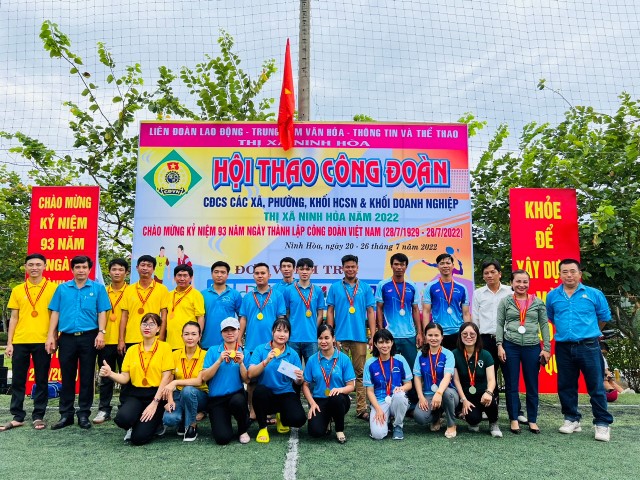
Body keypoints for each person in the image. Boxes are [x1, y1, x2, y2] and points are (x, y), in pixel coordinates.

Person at [546, 258, 614, 442]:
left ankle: (602, 423)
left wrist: (590, 331)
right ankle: (571, 419)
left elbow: (604, 317)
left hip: (588, 346)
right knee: (566, 385)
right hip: (563, 347)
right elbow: (552, 317)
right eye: (565, 272)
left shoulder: (594, 294)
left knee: (596, 386)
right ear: (559, 274)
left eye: (572, 271)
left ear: (579, 274)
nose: (569, 275)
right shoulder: (552, 296)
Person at [46, 255, 111, 430]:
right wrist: (51, 336)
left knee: (87, 376)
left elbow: (102, 312)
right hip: (66, 338)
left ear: (89, 269)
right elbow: (55, 313)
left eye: (84, 267)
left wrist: (101, 332)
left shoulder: (98, 288)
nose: (81, 270)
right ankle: (65, 414)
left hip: (89, 337)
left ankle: (83, 414)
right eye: (77, 267)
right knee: (67, 376)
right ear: (72, 269)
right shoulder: (62, 289)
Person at [1, 253, 57, 432]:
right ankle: (17, 415)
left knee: (41, 379)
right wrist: (10, 342)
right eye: (31, 265)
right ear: (25, 267)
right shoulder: (18, 290)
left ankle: (38, 415)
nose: (34, 268)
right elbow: (14, 318)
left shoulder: (53, 288)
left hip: (43, 341)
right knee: (18, 379)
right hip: (20, 341)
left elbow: (55, 315)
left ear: (45, 266)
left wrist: (53, 337)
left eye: (38, 264)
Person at [99, 313, 173, 445]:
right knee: (122, 419)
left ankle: (157, 425)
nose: (147, 327)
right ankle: (137, 422)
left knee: (138, 439)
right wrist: (110, 373)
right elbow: (124, 378)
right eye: (144, 324)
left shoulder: (165, 347)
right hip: (136, 394)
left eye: (152, 324)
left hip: (156, 395)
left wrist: (155, 403)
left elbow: (166, 377)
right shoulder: (132, 350)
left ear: (158, 328)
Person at [496, 269, 551, 434]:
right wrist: (499, 345)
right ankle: (513, 419)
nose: (521, 285)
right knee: (512, 384)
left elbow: (544, 325)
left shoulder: (538, 302)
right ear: (511, 283)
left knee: (532, 385)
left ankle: (532, 419)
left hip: (532, 346)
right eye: (518, 281)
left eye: (525, 282)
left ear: (529, 283)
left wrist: (546, 348)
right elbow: (499, 324)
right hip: (510, 346)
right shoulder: (505, 301)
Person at [472, 259, 526, 423]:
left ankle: (516, 411)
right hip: (485, 340)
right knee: (487, 377)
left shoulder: (510, 292)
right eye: (486, 273)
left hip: (508, 340)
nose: (489, 275)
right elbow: (475, 318)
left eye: (493, 272)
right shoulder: (478, 293)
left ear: (500, 274)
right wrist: (476, 341)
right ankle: (488, 409)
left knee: (510, 376)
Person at [326, 254, 376, 420]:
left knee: (360, 374)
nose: (350, 269)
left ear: (357, 268)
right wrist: (331, 334)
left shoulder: (365, 288)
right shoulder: (335, 287)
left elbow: (370, 312)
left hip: (359, 337)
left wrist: (373, 335)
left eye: (353, 266)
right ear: (342, 268)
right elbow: (330, 311)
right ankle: (335, 408)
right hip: (339, 337)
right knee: (336, 373)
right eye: (347, 267)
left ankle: (361, 409)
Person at [239, 263, 286, 420]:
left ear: (269, 276)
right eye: (257, 273)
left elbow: (281, 319)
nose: (260, 276)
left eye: (263, 273)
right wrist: (239, 338)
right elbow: (243, 318)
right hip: (252, 345)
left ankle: (270, 411)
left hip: (272, 345)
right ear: (253, 276)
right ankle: (253, 410)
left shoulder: (277, 295)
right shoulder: (247, 297)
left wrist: (280, 340)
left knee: (271, 378)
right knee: (252, 381)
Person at [375, 253, 422, 409]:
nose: (399, 267)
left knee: (412, 371)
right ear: (391, 266)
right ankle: (386, 403)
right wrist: (381, 331)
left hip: (409, 335)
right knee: (389, 370)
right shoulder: (383, 285)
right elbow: (379, 309)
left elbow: (415, 310)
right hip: (390, 336)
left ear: (406, 266)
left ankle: (413, 405)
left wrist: (419, 333)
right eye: (396, 264)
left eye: (402, 264)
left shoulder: (412, 286)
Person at [248, 318, 306, 443]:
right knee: (259, 391)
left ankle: (282, 417)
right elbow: (250, 374)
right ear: (272, 332)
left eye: (285, 331)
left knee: (299, 419)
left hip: (285, 393)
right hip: (266, 395)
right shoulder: (260, 349)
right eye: (278, 330)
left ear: (289, 335)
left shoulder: (292, 354)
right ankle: (263, 427)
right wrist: (266, 361)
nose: (282, 334)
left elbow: (298, 383)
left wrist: (299, 378)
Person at [302, 324, 356, 443]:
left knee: (336, 398)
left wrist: (340, 390)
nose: (323, 341)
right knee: (315, 432)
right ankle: (327, 420)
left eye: (327, 338)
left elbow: (351, 386)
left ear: (333, 338)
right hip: (320, 399)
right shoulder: (312, 360)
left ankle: (339, 430)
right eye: (320, 338)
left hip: (339, 399)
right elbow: (305, 385)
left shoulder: (344, 359)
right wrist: (312, 403)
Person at [201, 317, 250, 445]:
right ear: (221, 333)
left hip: (235, 395)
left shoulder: (244, 352)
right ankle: (224, 420)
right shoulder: (213, 351)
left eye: (233, 330)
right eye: (226, 330)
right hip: (217, 399)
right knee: (222, 438)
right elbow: (204, 377)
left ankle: (242, 430)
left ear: (238, 331)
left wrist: (241, 364)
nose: (229, 333)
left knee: (238, 401)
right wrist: (219, 361)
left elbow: (247, 380)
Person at [93, 258, 129, 425]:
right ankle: (104, 409)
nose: (117, 272)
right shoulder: (102, 291)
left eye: (120, 270)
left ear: (126, 273)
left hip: (126, 341)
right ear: (109, 272)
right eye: (114, 269)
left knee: (126, 376)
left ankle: (125, 407)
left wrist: (123, 340)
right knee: (106, 376)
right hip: (105, 341)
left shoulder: (131, 291)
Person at [453, 322, 503, 437]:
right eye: (465, 334)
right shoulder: (454, 354)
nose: (468, 337)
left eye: (472, 334)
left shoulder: (486, 354)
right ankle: (472, 418)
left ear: (477, 336)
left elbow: (491, 379)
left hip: (483, 395)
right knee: (473, 419)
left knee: (491, 401)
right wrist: (464, 400)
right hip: (467, 397)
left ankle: (493, 423)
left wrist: (488, 392)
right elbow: (456, 380)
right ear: (460, 336)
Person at [161, 321, 209, 441]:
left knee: (188, 391)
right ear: (181, 336)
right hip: (178, 395)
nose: (190, 337)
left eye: (194, 334)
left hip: (199, 395)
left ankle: (191, 426)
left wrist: (176, 382)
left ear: (199, 336)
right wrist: (170, 400)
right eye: (186, 334)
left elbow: (199, 381)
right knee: (169, 419)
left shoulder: (205, 355)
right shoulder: (175, 354)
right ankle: (183, 419)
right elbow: (169, 380)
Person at [364, 329, 413, 440]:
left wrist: (401, 388)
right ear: (375, 344)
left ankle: (398, 426)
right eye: (381, 342)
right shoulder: (370, 363)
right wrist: (378, 409)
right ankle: (385, 421)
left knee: (400, 395)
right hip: (380, 402)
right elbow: (370, 391)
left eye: (387, 342)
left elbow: (409, 384)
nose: (384, 345)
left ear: (392, 342)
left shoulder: (400, 359)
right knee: (378, 435)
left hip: (397, 399)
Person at [413, 322, 459, 438]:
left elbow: (447, 376)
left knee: (447, 393)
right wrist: (421, 397)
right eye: (430, 335)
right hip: (428, 394)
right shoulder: (420, 354)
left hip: (447, 393)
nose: (433, 338)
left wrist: (439, 393)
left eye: (436, 335)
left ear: (442, 337)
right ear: (425, 337)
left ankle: (451, 424)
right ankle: (436, 417)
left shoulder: (448, 354)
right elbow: (417, 377)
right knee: (420, 417)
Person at [119, 255, 169, 354]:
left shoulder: (162, 289)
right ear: (137, 268)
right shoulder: (128, 290)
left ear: (154, 269)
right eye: (142, 265)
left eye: (149, 266)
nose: (145, 268)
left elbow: (164, 316)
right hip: (132, 337)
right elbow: (124, 316)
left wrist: (161, 337)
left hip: (153, 338)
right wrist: (121, 340)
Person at [423, 252, 471, 351]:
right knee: (438, 360)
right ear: (437, 266)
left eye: (448, 263)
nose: (445, 266)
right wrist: (426, 333)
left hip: (458, 332)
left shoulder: (462, 287)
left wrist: (467, 333)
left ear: (453, 266)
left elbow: (466, 313)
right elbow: (426, 311)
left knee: (458, 360)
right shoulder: (430, 287)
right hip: (438, 333)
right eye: (442, 263)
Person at [282, 258, 326, 364]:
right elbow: (286, 314)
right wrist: (290, 329)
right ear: (297, 270)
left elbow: (320, 314)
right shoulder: (288, 290)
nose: (304, 272)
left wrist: (313, 329)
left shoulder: (318, 291)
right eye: (301, 269)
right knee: (291, 369)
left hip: (311, 338)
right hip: (293, 338)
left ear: (312, 271)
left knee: (313, 369)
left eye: (307, 269)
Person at [200, 261, 242, 350]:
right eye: (216, 272)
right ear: (211, 274)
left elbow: (242, 318)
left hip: (229, 343)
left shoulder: (235, 294)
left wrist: (238, 338)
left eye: (223, 272)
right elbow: (199, 318)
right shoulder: (202, 295)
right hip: (206, 343)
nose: (219, 275)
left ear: (227, 275)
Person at [163, 265, 205, 350]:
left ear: (191, 278)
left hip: (188, 343)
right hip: (170, 342)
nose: (182, 279)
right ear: (174, 277)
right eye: (179, 275)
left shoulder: (196, 295)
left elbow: (200, 317)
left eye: (185, 276)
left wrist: (198, 337)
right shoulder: (169, 295)